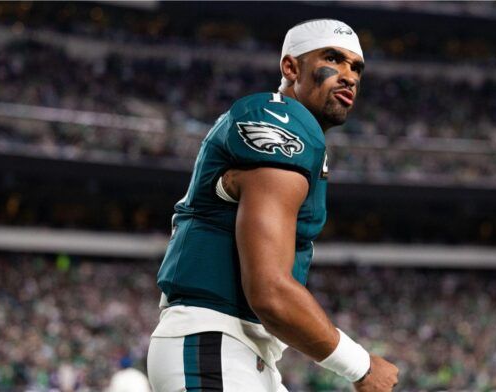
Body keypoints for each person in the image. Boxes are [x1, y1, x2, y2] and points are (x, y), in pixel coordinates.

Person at [147, 19, 399, 391]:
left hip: (241, 351)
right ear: (290, 67)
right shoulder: (281, 121)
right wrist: (360, 365)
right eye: (333, 59)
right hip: (215, 340)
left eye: (356, 67)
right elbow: (269, 290)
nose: (349, 76)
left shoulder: (302, 135)